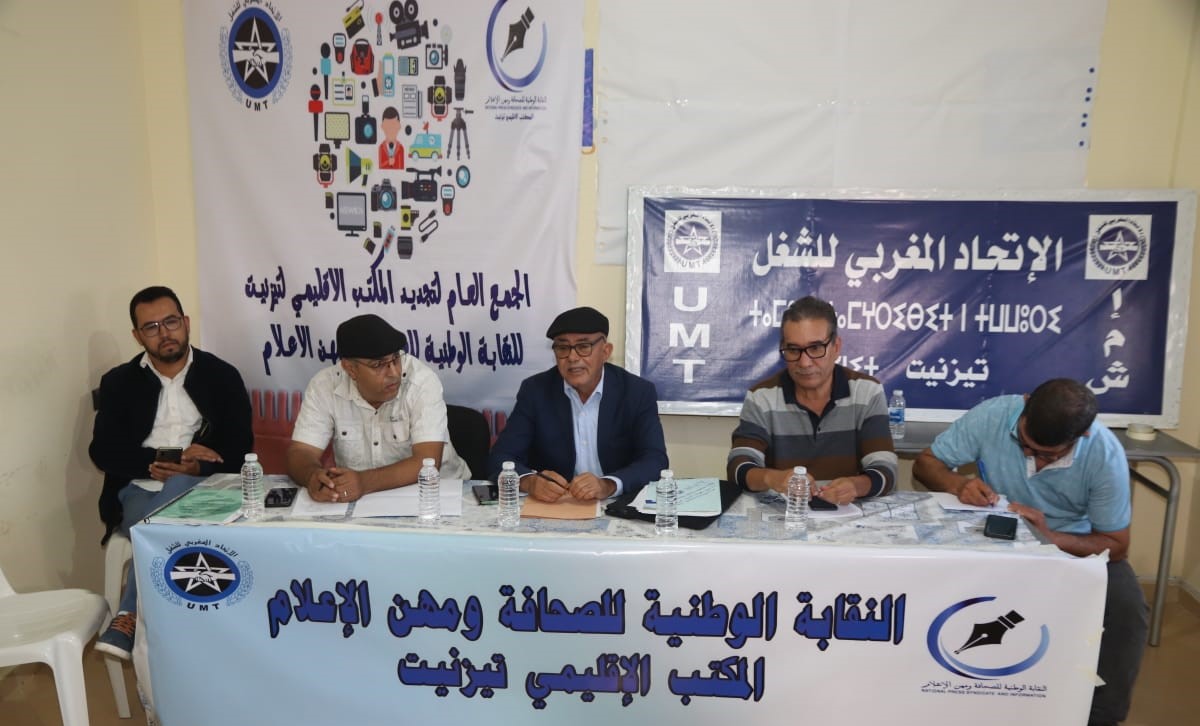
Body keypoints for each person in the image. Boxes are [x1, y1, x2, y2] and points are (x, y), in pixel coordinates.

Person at [912, 378, 1146, 726]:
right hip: (995, 539)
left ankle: (1100, 716)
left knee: (1128, 609)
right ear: (1024, 404)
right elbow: (926, 464)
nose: (1029, 456)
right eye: (1023, 443)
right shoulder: (994, 415)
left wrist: (1049, 537)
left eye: (1047, 454)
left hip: (1071, 545)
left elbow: (1116, 545)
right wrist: (958, 484)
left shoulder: (1103, 453)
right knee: (928, 580)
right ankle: (937, 694)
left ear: (1081, 435)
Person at [90, 286, 253, 659]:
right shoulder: (119, 382)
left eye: (171, 322)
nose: (164, 333)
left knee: (180, 485)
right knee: (175, 489)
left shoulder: (222, 375)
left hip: (209, 488)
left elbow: (241, 448)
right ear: (137, 336)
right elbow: (103, 451)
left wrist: (198, 466)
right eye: (151, 327)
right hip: (138, 490)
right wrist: (166, 459)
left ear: (186, 323)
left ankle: (129, 614)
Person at [487, 306, 668, 502]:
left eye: (583, 347)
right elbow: (501, 456)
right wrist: (529, 482)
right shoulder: (535, 391)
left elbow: (655, 460)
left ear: (606, 351)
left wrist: (608, 484)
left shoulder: (637, 392)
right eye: (563, 348)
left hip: (616, 504)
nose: (572, 358)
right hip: (554, 506)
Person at [727, 295, 896, 504]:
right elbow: (738, 467)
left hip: (847, 513)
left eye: (815, 348)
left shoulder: (867, 392)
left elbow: (886, 469)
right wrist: (773, 478)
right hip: (785, 513)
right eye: (793, 350)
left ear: (836, 347)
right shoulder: (762, 397)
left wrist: (856, 486)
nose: (805, 362)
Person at [287, 313, 469, 502]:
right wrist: (313, 477)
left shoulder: (422, 382)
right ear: (350, 369)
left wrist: (364, 482)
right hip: (360, 501)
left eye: (396, 358)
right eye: (379, 365)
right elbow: (301, 452)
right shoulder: (324, 386)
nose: (394, 373)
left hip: (435, 494)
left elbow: (427, 462)